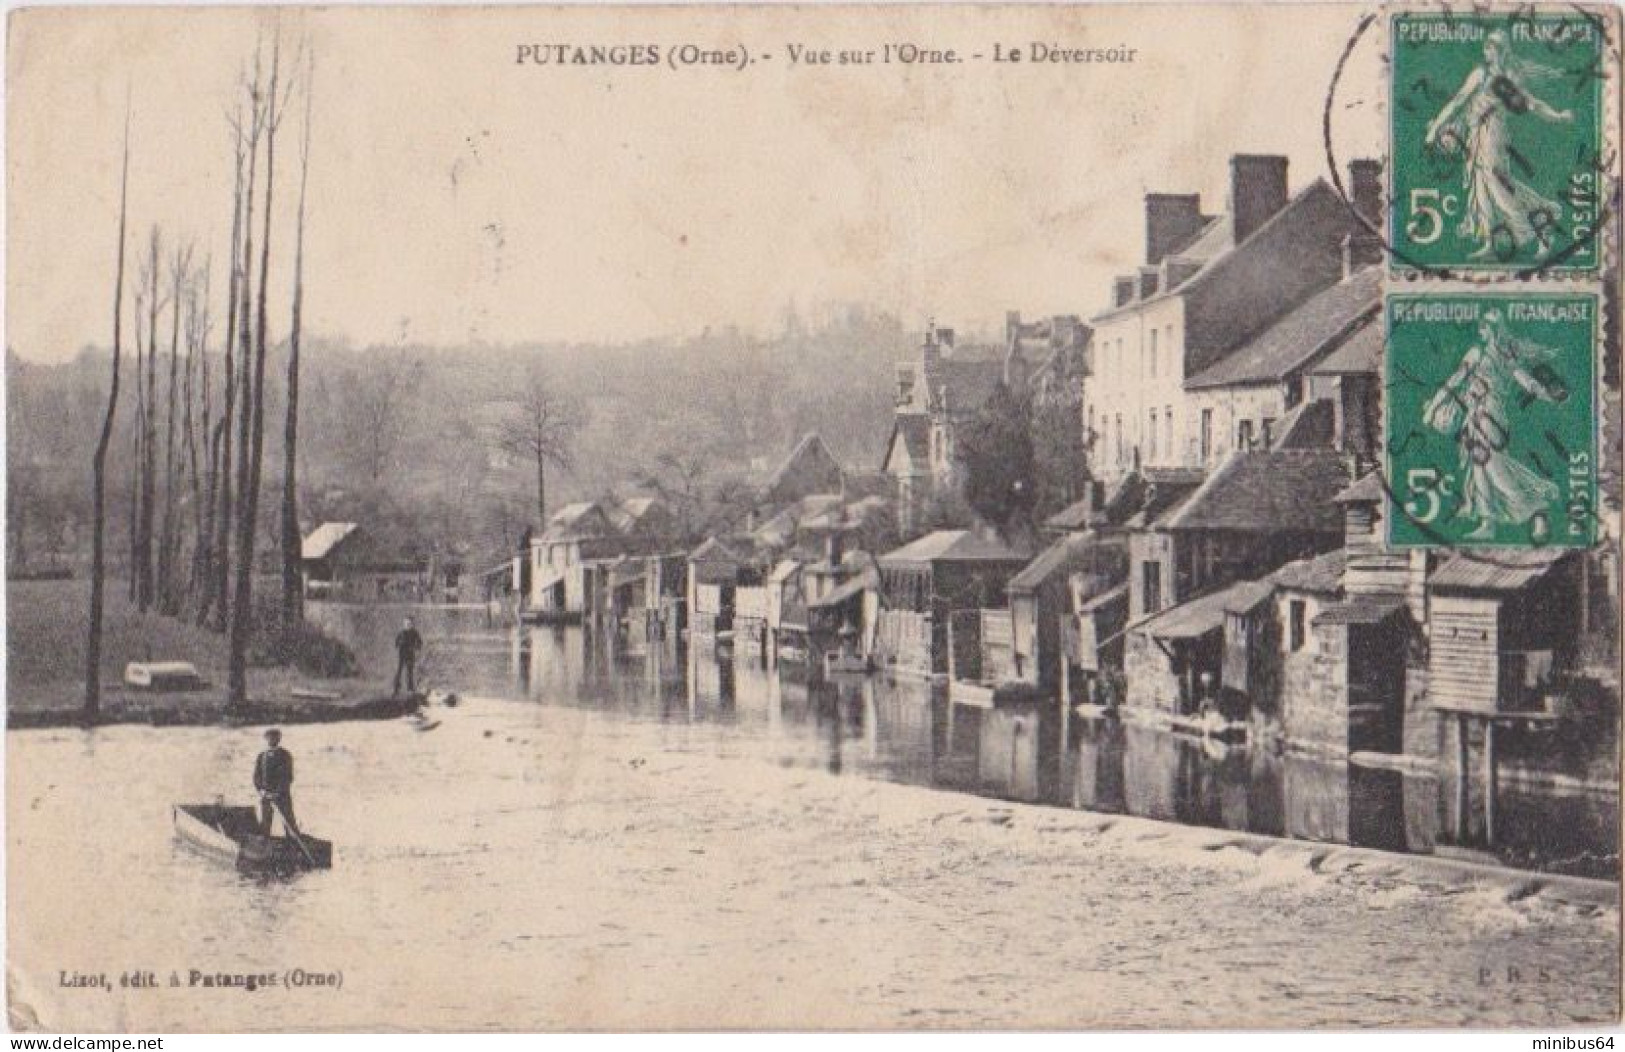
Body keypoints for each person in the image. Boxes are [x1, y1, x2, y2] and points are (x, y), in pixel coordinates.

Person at [1424, 29, 1574, 260]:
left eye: (1493, 47)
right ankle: (1490, 242)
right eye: (1487, 47)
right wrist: (1435, 128)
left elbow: (1532, 104)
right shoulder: (1480, 74)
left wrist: (1557, 116)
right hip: (1476, 135)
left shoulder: (1507, 80)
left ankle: (1538, 227)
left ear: (1502, 51)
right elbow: (1457, 102)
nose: (1489, 52)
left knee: (1496, 183)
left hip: (1494, 134)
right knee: (1481, 185)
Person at [1423, 310, 1565, 540]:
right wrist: (1547, 395)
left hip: (1487, 416)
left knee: (1495, 468)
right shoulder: (1506, 356)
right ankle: (1487, 523)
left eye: (1484, 327)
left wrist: (1432, 409)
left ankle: (1538, 510)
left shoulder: (1479, 353)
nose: (1481, 331)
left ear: (1489, 330)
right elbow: (1527, 382)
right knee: (1479, 466)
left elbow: (1454, 382)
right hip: (1481, 416)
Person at [253, 728, 296, 836]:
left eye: (275, 737)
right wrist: (261, 790)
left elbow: (287, 776)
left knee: (289, 823)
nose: (272, 740)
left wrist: (278, 792)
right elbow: (256, 776)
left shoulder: (285, 755)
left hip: (282, 796)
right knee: (265, 825)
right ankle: (264, 848)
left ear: (279, 739)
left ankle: (294, 847)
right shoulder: (262, 756)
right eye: (269, 737)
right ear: (266, 739)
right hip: (266, 796)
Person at [393, 616, 424, 696]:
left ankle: (410, 688)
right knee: (399, 671)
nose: (408, 625)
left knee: (409, 671)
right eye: (406, 624)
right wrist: (398, 644)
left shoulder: (415, 633)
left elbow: (420, 642)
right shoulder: (401, 632)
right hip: (402, 654)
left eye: (410, 624)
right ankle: (396, 687)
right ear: (404, 624)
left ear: (412, 625)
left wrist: (416, 647)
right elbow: (396, 643)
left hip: (410, 654)